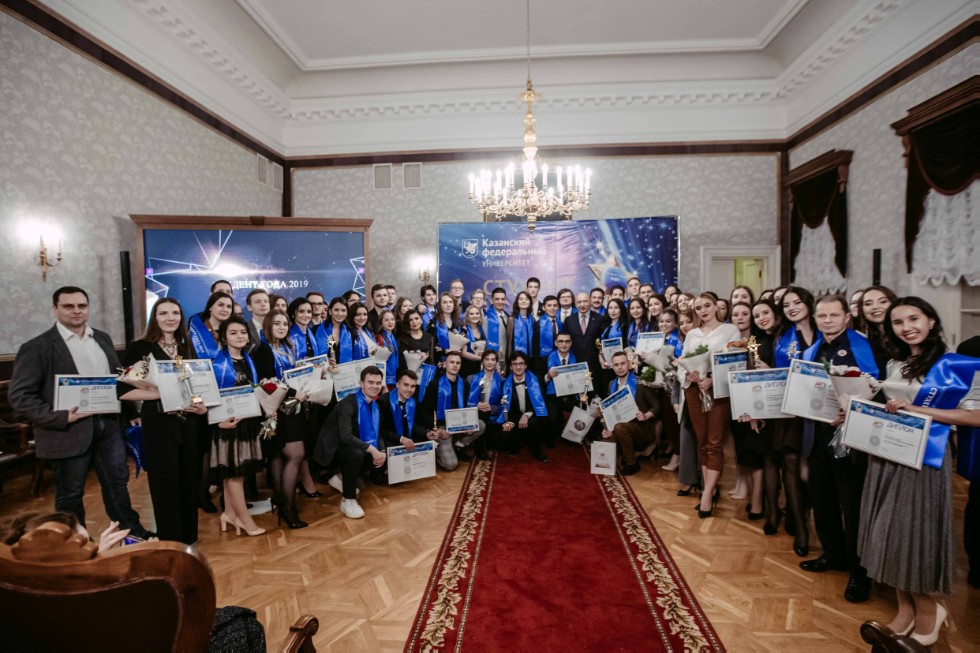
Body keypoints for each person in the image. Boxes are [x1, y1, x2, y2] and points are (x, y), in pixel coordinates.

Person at [857, 297, 980, 647]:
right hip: (888, 457)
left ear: (931, 321)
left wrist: (920, 411)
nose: (907, 326)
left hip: (925, 463)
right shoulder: (898, 363)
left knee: (912, 535)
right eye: (898, 322)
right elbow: (894, 408)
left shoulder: (956, 365)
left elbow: (976, 416)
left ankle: (930, 612)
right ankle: (905, 611)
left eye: (914, 318)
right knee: (890, 534)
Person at [9, 286, 152, 539]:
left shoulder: (102, 339)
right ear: (55, 309)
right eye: (68, 306)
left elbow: (116, 380)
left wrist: (130, 408)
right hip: (68, 429)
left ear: (88, 308)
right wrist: (61, 416)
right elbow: (20, 396)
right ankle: (76, 542)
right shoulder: (38, 347)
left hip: (107, 425)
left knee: (117, 484)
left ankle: (132, 533)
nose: (76, 311)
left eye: (81, 306)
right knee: (71, 492)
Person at [798, 294, 879, 603]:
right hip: (818, 433)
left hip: (851, 437)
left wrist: (856, 406)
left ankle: (860, 572)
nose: (828, 320)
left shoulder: (863, 347)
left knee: (852, 502)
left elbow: (876, 386)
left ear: (847, 317)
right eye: (822, 316)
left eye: (834, 315)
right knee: (822, 496)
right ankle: (832, 554)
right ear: (816, 319)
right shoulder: (811, 350)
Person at [117, 297, 203, 544]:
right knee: (165, 482)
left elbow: (195, 385)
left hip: (188, 422)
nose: (170, 318)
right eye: (163, 313)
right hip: (158, 423)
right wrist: (161, 394)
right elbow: (125, 392)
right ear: (154, 317)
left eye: (175, 313)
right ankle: (170, 540)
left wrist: (200, 404)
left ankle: (189, 539)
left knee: (188, 480)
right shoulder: (140, 348)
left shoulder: (187, 347)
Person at [682, 293, 741, 518]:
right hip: (694, 390)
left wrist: (712, 380)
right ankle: (710, 487)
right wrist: (691, 374)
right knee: (702, 441)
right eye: (698, 308)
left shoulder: (730, 331)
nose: (703, 311)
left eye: (707, 306)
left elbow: (735, 362)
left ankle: (706, 495)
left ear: (717, 306)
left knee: (715, 442)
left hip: (718, 391)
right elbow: (683, 362)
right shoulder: (692, 334)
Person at [252, 309, 310, 529]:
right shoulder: (263, 350)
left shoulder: (287, 347)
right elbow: (267, 382)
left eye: (285, 324)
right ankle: (288, 508)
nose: (282, 327)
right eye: (277, 324)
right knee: (296, 454)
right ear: (268, 326)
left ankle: (280, 500)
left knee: (279, 455)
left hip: (291, 408)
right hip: (275, 409)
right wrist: (295, 393)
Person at [771, 286, 817, 558]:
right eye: (786, 305)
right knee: (788, 462)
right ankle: (800, 527)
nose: (791, 308)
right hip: (790, 409)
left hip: (822, 411)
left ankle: (805, 511)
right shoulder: (781, 338)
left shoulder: (826, 332)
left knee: (810, 471)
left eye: (797, 302)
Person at [210, 317, 265, 537]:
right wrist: (217, 421)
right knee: (233, 474)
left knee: (238, 473)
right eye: (233, 333)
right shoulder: (215, 364)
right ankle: (245, 520)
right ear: (224, 337)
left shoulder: (248, 359)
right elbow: (207, 397)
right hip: (226, 425)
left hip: (247, 422)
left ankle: (229, 514)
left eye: (243, 332)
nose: (240, 336)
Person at [313, 366, 387, 519]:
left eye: (378, 383)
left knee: (372, 454)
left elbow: (377, 431)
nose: (375, 386)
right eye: (370, 382)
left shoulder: (375, 405)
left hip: (349, 445)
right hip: (330, 450)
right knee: (358, 453)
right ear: (361, 383)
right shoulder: (348, 403)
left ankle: (340, 477)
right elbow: (345, 436)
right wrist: (373, 450)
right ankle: (348, 500)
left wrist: (382, 451)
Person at [598, 351, 659, 475]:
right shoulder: (611, 384)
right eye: (616, 365)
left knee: (619, 427)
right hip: (620, 425)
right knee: (608, 436)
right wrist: (606, 428)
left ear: (629, 365)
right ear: (612, 367)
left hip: (641, 428)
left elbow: (657, 406)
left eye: (622, 364)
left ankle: (632, 463)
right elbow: (608, 411)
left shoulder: (640, 382)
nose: (619, 367)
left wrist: (646, 415)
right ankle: (608, 465)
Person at [421, 351, 484, 468]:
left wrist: (470, 424)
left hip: (458, 425)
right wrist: (436, 430)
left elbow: (467, 407)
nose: (455, 365)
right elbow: (424, 411)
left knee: (480, 425)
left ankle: (458, 445)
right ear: (445, 364)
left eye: (458, 363)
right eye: (452, 362)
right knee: (450, 465)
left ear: (460, 366)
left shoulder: (464, 384)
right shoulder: (434, 384)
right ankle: (436, 451)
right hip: (441, 427)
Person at [374, 370, 431, 484]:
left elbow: (414, 426)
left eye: (413, 386)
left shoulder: (413, 402)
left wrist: (427, 433)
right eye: (406, 385)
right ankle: (382, 471)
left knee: (427, 442)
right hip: (389, 440)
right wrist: (401, 438)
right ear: (397, 384)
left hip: (406, 439)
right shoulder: (383, 401)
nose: (409, 390)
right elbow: (381, 430)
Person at [496, 351, 549, 462]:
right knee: (504, 435)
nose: (518, 366)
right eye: (515, 364)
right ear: (510, 366)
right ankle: (517, 442)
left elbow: (542, 402)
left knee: (533, 423)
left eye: (521, 363)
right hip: (515, 415)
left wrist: (527, 414)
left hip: (532, 413)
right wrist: (508, 421)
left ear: (526, 365)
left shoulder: (537, 380)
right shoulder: (504, 384)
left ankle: (537, 451)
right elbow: (505, 407)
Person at [468, 349, 505, 451]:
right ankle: (479, 447)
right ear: (482, 361)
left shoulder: (502, 381)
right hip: (477, 415)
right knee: (482, 413)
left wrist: (491, 408)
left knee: (496, 445)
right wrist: (476, 405)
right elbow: (465, 402)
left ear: (496, 362)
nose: (489, 362)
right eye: (486, 359)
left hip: (493, 416)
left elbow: (504, 404)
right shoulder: (471, 379)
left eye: (493, 359)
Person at [564, 292, 603, 384]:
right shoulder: (569, 320)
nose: (582, 305)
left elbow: (602, 341)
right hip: (575, 363)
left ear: (590, 302)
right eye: (579, 302)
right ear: (575, 303)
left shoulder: (600, 319)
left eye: (585, 301)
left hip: (595, 363)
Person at [859, 285, 897, 374]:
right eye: (868, 304)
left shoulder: (905, 336)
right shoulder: (865, 342)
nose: (875, 307)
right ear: (862, 310)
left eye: (883, 301)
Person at [188, 291, 232, 359]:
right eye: (220, 305)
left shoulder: (233, 331)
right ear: (210, 307)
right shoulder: (196, 331)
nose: (225, 309)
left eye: (229, 306)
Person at [507, 291, 536, 366]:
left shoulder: (532, 320)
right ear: (517, 302)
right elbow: (509, 342)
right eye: (521, 299)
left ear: (530, 302)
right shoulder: (512, 319)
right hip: (516, 359)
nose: (523, 301)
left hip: (531, 358)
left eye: (526, 299)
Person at [459, 304, 488, 378]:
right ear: (467, 317)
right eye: (471, 314)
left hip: (481, 367)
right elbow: (463, 353)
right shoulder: (464, 331)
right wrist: (482, 358)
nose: (475, 316)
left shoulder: (482, 329)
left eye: (477, 313)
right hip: (468, 368)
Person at [376, 309, 400, 389]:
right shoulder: (380, 338)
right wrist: (384, 385)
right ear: (381, 323)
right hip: (385, 380)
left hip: (394, 377)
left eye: (392, 319)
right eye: (386, 320)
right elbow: (379, 363)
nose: (390, 322)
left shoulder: (393, 337)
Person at [485, 287, 510, 365]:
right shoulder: (486, 319)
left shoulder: (508, 317)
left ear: (505, 301)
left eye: (502, 299)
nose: (500, 302)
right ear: (492, 301)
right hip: (493, 362)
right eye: (497, 299)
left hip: (507, 359)